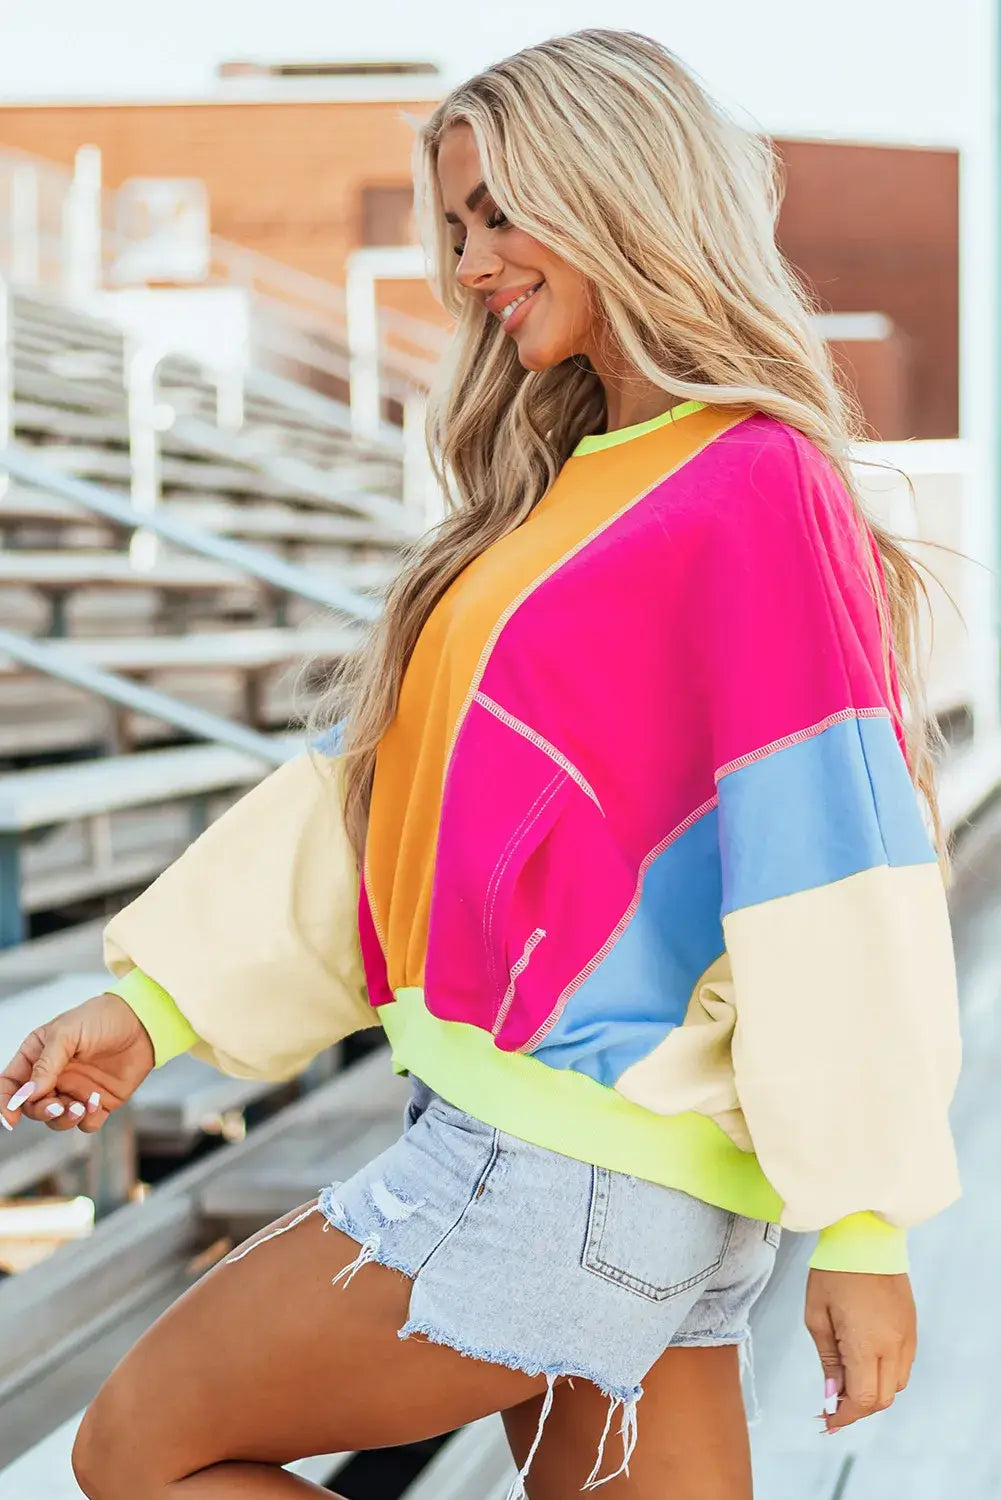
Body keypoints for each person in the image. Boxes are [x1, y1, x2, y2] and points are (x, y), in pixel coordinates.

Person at [0, 28, 961, 1500]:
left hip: (560, 1174)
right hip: (622, 1183)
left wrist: (865, 1223)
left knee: (138, 1448)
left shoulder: (745, 484)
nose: (468, 262)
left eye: (500, 213)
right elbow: (382, 796)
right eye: (454, 224)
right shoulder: (565, 495)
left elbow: (831, 867)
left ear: (621, 193)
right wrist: (155, 1002)